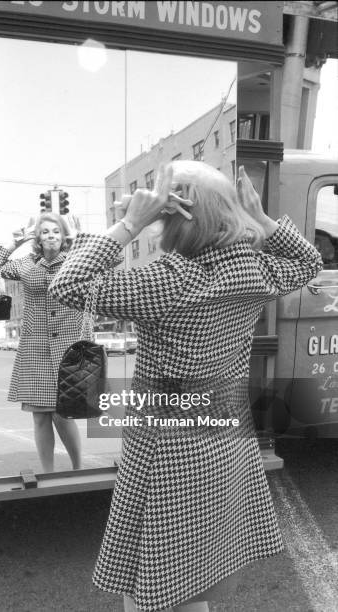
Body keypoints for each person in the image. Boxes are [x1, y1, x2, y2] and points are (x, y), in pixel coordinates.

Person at [48, 162, 323, 612]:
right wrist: (263, 220)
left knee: (146, 582)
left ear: (174, 215)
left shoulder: (166, 280)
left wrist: (129, 224)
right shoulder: (252, 270)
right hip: (225, 440)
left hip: (164, 447)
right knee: (193, 571)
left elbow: (69, 282)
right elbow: (309, 260)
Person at [0, 212, 83, 472]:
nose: (51, 235)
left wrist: (79, 239)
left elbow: (113, 258)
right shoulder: (27, 265)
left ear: (64, 236)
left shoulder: (78, 261)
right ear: (38, 238)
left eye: (56, 231)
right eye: (45, 231)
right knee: (40, 416)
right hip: (35, 349)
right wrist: (16, 242)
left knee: (61, 415)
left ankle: (78, 468)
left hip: (69, 349)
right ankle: (48, 474)